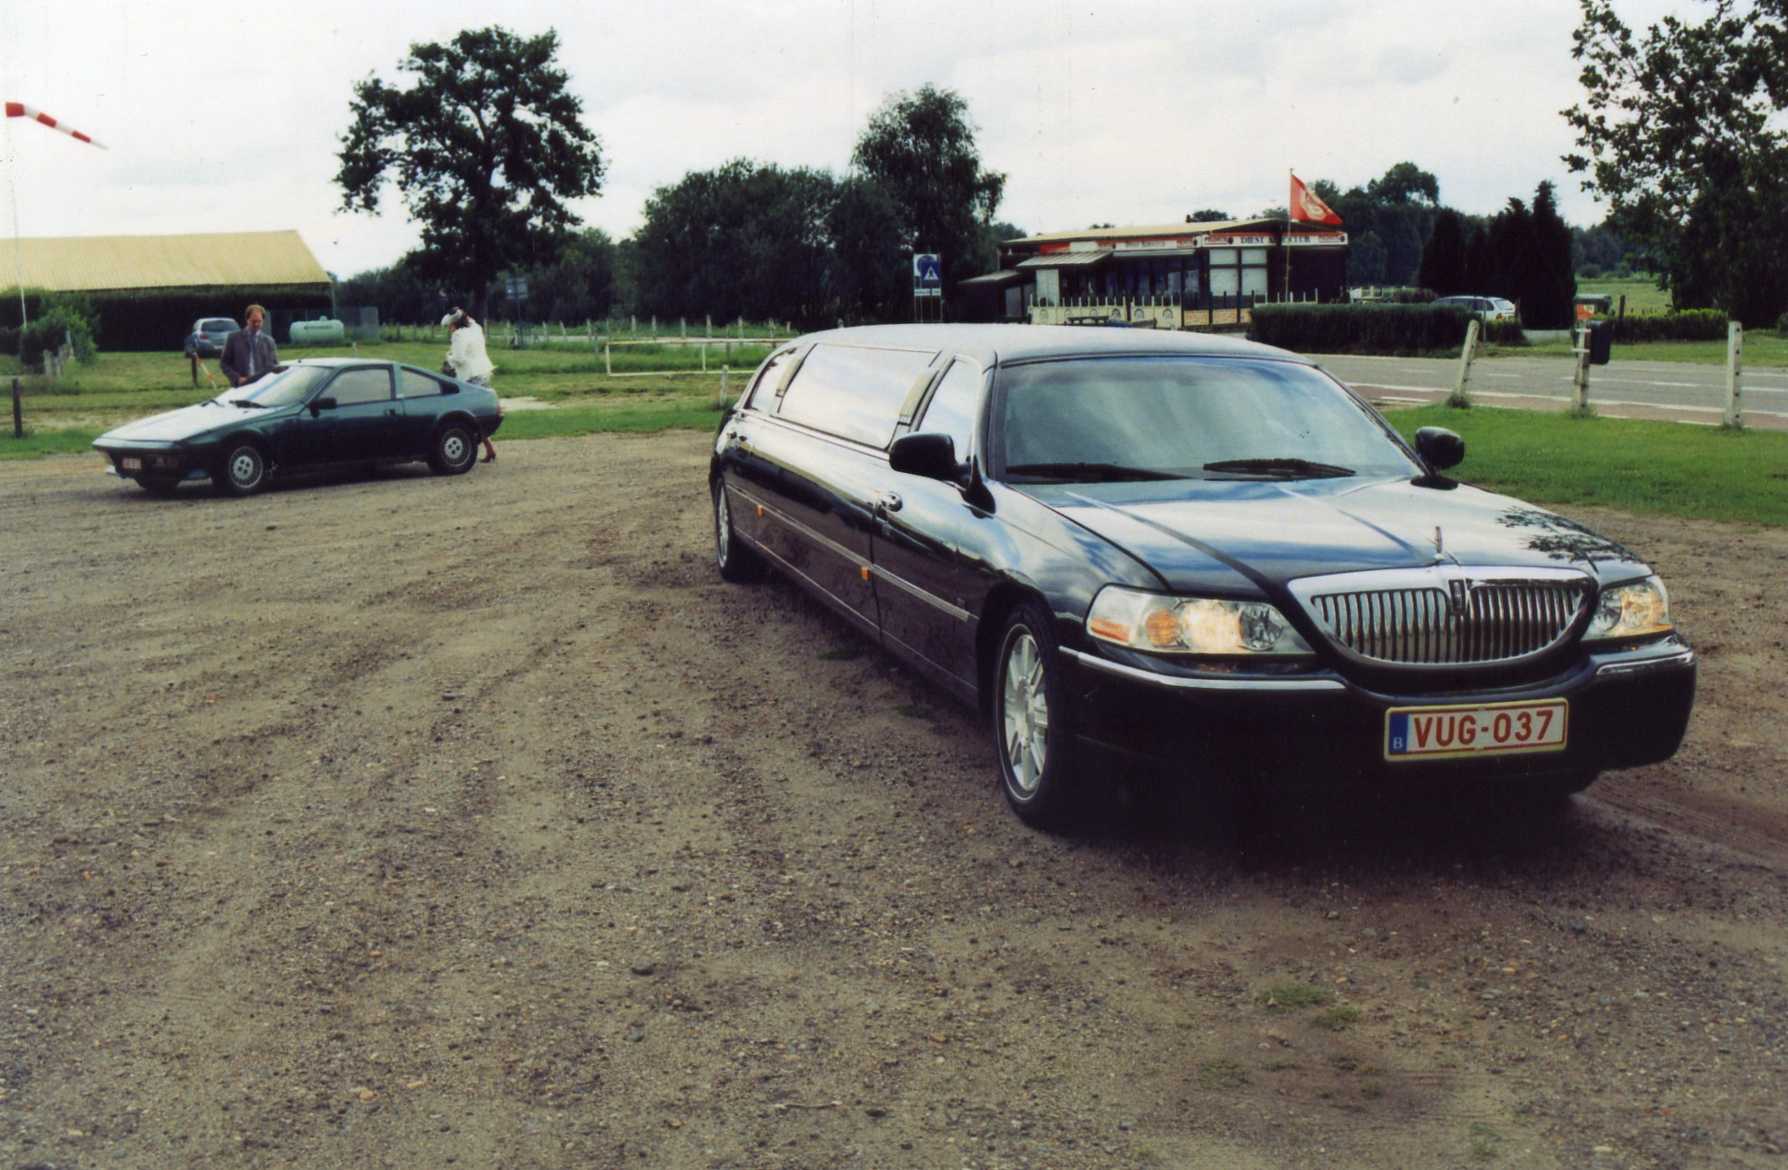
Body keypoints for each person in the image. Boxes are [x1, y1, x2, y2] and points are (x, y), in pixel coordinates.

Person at [442, 308, 498, 463]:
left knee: (467, 416)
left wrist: (449, 358)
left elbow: (459, 359)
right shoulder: (476, 328)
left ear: (455, 324)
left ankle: (474, 449)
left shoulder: (458, 335)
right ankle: (489, 448)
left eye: (450, 325)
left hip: (470, 377)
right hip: (484, 372)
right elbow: (471, 320)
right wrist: (461, 312)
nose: (449, 328)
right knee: (477, 414)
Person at [220, 303, 279, 388]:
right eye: (253, 321)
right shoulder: (234, 338)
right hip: (241, 386)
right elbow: (224, 363)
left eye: (259, 321)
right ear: (247, 320)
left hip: (263, 387)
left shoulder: (269, 341)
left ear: (263, 320)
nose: (256, 324)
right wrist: (237, 378)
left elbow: (275, 365)